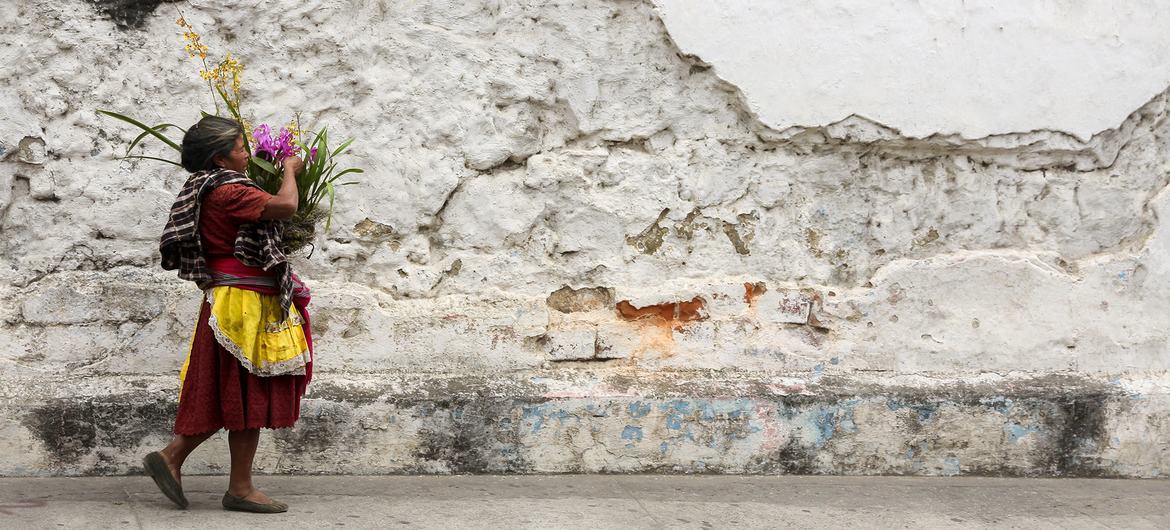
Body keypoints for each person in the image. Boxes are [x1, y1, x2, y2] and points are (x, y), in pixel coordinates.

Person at [143, 115, 313, 513]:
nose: (246, 153)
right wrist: (289, 169)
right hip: (243, 305)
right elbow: (286, 206)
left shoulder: (207, 187)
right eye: (240, 147)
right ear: (220, 158)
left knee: (235, 391)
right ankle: (228, 482)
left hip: (233, 299)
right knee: (245, 391)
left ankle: (205, 470)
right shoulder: (229, 191)